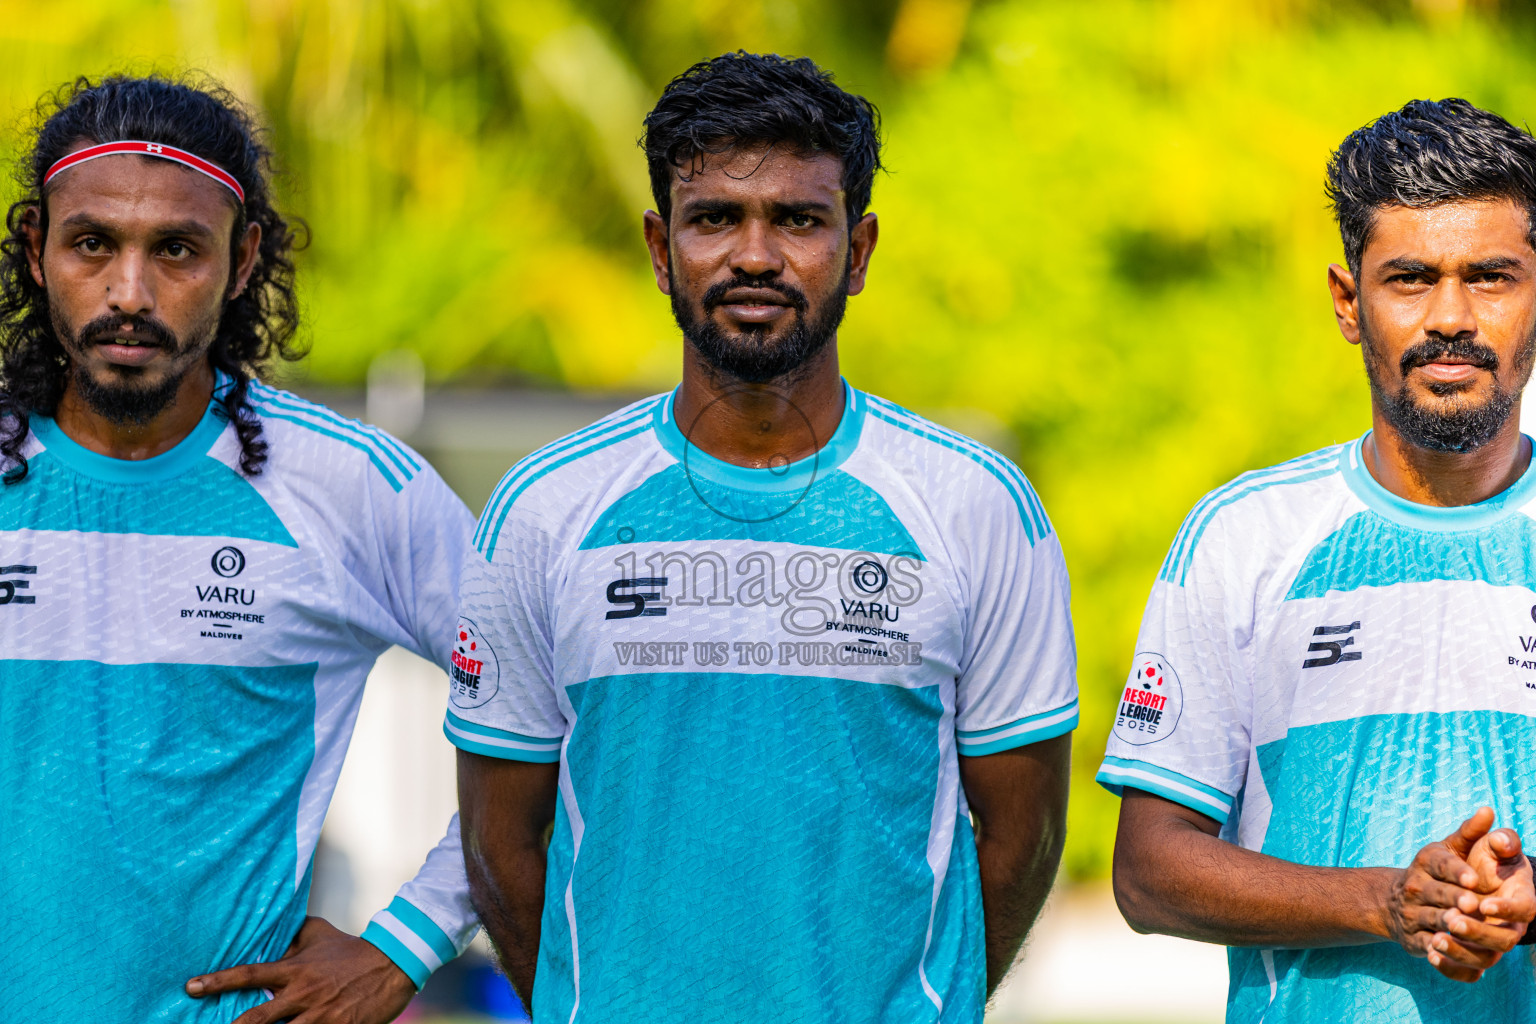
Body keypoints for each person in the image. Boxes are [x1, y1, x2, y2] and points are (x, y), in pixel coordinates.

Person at [449, 52, 1077, 1023]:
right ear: (661, 249)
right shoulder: (544, 509)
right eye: (715, 219)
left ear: (858, 249)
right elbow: (499, 845)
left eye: (796, 219)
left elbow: (1022, 838)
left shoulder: (974, 505)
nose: (754, 254)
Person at [0, 75, 476, 1022]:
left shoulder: (351, 489)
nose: (128, 292)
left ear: (245, 257)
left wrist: (405, 946)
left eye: (176, 249)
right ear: (36, 249)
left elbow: (565, 708)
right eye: (92, 243)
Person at [1099, 98, 1536, 1023]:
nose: (1451, 317)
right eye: (1410, 279)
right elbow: (1147, 872)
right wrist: (1387, 903)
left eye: (1491, 277)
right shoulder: (1244, 537)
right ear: (1349, 302)